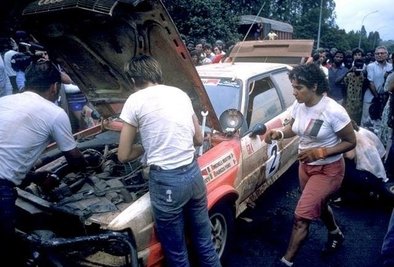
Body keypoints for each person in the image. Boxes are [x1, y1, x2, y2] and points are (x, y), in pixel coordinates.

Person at [117, 55, 221, 267]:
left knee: (177, 255)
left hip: (166, 183)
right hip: (193, 175)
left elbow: (123, 155)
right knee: (205, 244)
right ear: (156, 73)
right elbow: (199, 138)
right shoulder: (179, 93)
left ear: (133, 80)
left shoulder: (134, 101)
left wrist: (149, 145)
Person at [264, 63, 356, 266]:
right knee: (319, 205)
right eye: (293, 87)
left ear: (314, 86)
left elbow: (351, 142)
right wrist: (278, 133)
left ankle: (285, 261)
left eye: (299, 88)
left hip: (329, 170)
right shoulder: (299, 104)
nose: (294, 92)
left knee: (301, 216)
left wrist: (321, 152)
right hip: (305, 167)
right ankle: (335, 233)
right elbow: (295, 127)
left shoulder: (333, 110)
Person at [0, 59, 87, 266]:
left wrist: (35, 177)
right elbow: (75, 160)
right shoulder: (54, 113)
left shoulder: (4, 101)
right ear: (55, 87)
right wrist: (87, 167)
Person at [361, 46, 392, 129]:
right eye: (377, 53)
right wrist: (377, 97)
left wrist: (384, 97)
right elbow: (370, 82)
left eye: (382, 53)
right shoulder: (370, 66)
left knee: (380, 123)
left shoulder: (391, 67)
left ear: (387, 55)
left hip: (385, 99)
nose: (379, 55)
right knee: (366, 122)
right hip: (371, 98)